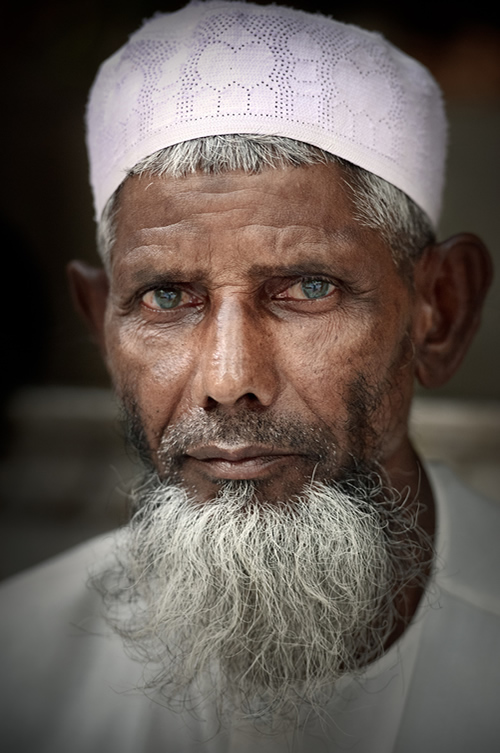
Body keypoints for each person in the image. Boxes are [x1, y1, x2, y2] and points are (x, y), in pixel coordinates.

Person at [1, 2, 499, 751]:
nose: (230, 379)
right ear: (103, 323)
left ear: (440, 309)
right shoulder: (19, 664)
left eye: (308, 289)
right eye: (167, 297)